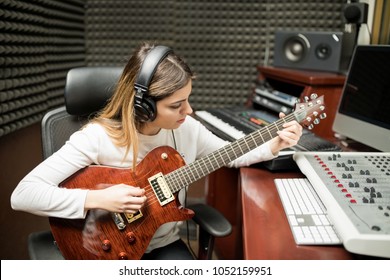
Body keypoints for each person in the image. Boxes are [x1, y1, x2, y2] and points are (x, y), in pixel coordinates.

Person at [11, 42, 303, 260]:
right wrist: (99, 198)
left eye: (188, 99)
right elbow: (23, 194)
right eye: (176, 105)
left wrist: (275, 144)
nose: (188, 111)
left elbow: (230, 153)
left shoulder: (187, 128)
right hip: (105, 248)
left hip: (162, 245)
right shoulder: (97, 138)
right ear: (144, 106)